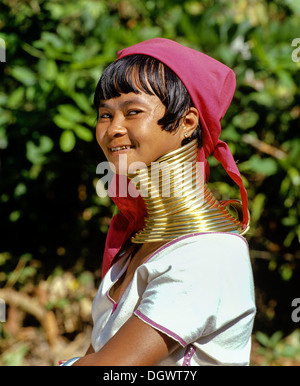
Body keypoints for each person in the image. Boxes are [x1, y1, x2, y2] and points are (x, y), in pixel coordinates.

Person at [60, 38, 256, 366]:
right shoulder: (135, 245)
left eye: (132, 112)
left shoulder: (210, 252)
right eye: (104, 115)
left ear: (187, 123)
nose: (113, 129)